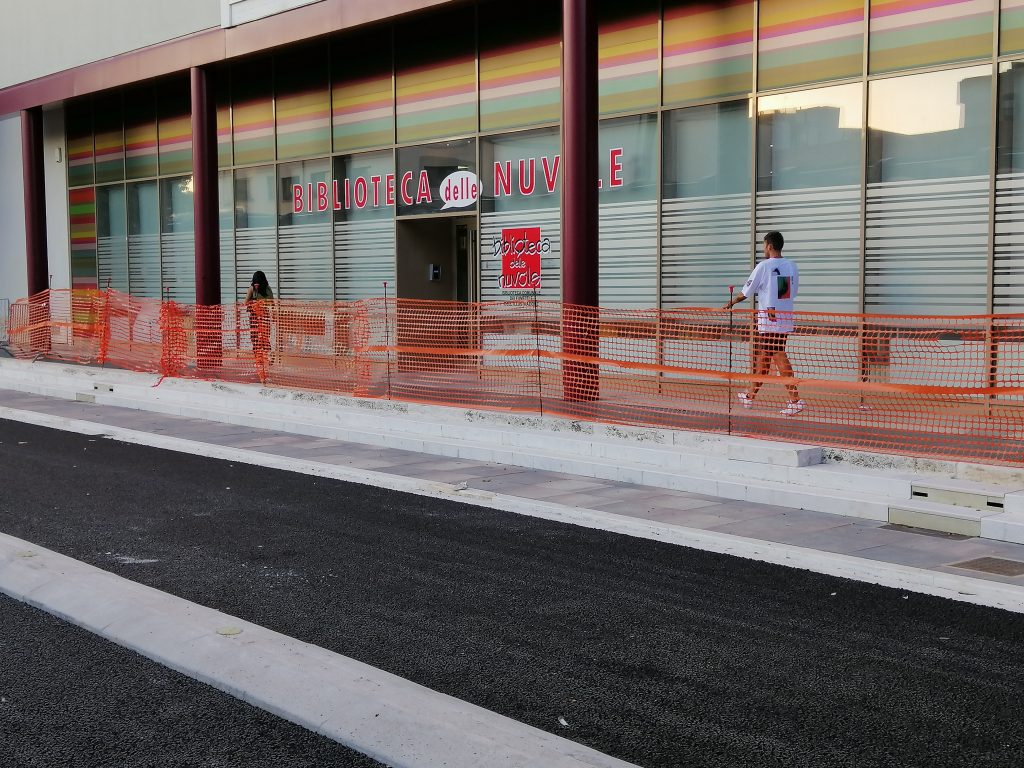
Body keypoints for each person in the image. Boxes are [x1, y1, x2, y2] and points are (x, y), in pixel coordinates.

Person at [723, 231, 804, 416]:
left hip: (770, 322)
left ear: (769, 246)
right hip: (783, 319)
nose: (763, 249)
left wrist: (731, 302)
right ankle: (750, 396)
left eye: (764, 245)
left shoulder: (764, 266)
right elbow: (789, 292)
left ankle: (795, 400)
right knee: (763, 359)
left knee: (777, 355)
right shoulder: (791, 266)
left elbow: (746, 291)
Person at [245, 270, 274, 359]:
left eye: (258, 284)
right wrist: (253, 303)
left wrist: (274, 314)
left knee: (265, 337)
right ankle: (257, 357)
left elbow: (272, 303)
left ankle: (267, 355)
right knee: (254, 338)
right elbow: (245, 302)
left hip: (264, 316)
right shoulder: (251, 289)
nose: (257, 286)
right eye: (255, 284)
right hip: (254, 316)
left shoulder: (267, 289)